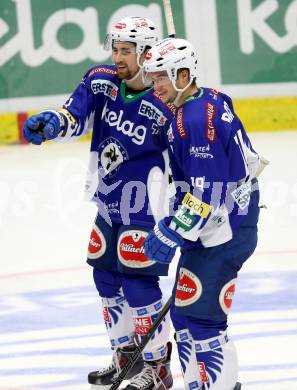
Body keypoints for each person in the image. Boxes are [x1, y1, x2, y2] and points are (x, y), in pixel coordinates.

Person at [22, 17, 176, 390]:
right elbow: (75, 116)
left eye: (126, 50)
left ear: (146, 53)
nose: (117, 57)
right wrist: (54, 123)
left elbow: (190, 153)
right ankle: (127, 357)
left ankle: (157, 366)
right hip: (109, 201)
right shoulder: (102, 80)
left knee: (139, 284)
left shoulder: (167, 98)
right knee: (105, 278)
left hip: (148, 207)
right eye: (116, 49)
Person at [143, 37, 267, 390]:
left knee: (203, 321)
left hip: (226, 230)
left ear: (184, 75)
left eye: (161, 78)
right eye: (152, 79)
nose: (155, 87)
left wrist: (172, 230)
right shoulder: (205, 98)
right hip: (214, 225)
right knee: (183, 315)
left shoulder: (196, 121)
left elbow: (208, 192)